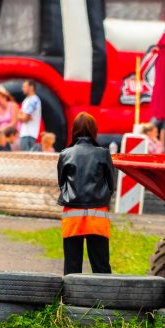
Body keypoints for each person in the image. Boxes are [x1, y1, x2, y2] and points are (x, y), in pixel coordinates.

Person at [57, 112, 114, 275]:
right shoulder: (103, 153)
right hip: (97, 216)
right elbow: (111, 185)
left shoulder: (65, 154)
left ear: (74, 130)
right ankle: (104, 299)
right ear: (94, 130)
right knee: (101, 265)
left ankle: (70, 299)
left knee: (72, 267)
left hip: (72, 216)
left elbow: (61, 183)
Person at [18, 80, 42, 151]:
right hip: (25, 133)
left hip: (29, 134)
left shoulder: (34, 100)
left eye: (24, 86)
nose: (22, 89)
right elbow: (22, 116)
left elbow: (25, 117)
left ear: (31, 87)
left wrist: (21, 116)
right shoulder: (26, 100)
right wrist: (22, 116)